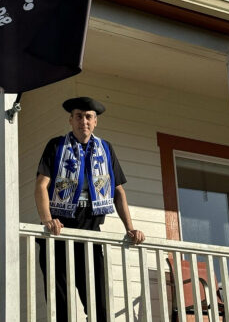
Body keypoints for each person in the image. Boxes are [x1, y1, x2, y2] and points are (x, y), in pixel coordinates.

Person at [35, 97, 146, 322]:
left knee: (100, 307)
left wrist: (130, 228)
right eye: (78, 116)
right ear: (70, 120)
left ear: (95, 122)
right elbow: (41, 185)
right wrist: (47, 220)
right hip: (58, 234)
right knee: (61, 308)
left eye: (88, 117)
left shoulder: (106, 149)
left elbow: (118, 192)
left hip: (90, 235)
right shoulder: (57, 146)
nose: (83, 121)